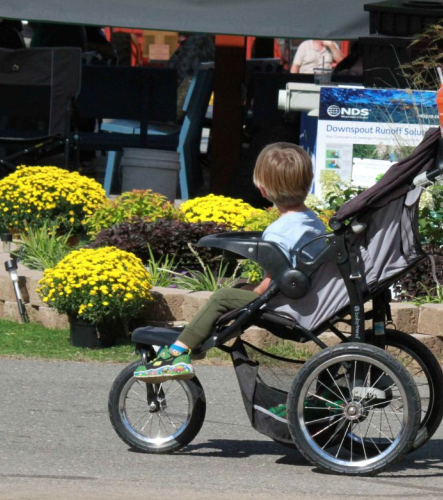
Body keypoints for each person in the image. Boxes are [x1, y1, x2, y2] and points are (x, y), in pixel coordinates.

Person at [134, 143, 327, 382]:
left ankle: (177, 352)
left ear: (262, 190)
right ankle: (197, 342)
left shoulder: (277, 232)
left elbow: (271, 283)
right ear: (308, 183)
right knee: (240, 289)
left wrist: (254, 290)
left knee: (223, 297)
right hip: (310, 299)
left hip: (288, 304)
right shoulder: (313, 222)